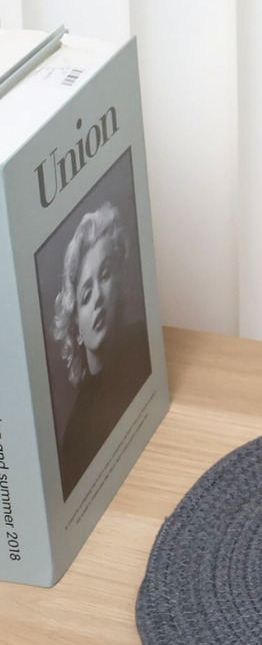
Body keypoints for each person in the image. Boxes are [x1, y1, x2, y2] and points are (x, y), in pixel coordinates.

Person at [51, 202, 151, 499]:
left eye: (105, 275)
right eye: (84, 294)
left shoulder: (146, 346)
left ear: (119, 287)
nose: (96, 299)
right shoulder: (76, 433)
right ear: (77, 330)